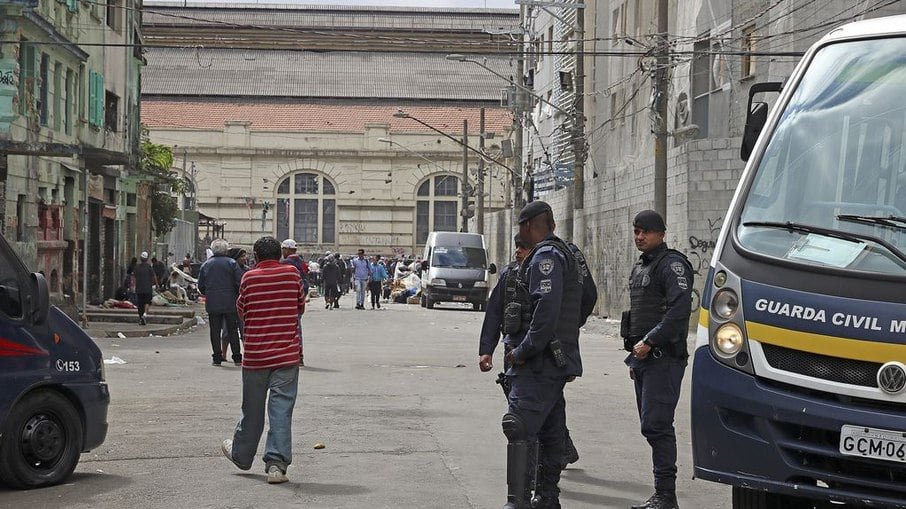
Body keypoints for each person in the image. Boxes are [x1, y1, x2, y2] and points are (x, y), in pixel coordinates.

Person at [490, 201, 596, 509]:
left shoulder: (545, 257)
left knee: (518, 425)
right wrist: (565, 335)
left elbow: (545, 313)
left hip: (537, 362)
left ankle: (518, 502)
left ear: (526, 226)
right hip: (553, 360)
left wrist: (525, 350)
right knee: (550, 430)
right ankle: (547, 498)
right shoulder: (566, 253)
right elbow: (588, 297)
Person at [623, 210, 693, 509]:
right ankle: (663, 494)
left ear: (661, 234)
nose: (640, 237)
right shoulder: (641, 267)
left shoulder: (672, 265)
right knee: (650, 426)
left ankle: (666, 496)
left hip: (664, 358)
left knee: (657, 425)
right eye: (637, 232)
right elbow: (639, 315)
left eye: (646, 232)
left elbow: (678, 313)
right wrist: (635, 354)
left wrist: (649, 342)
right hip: (644, 359)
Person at [221, 235, 305, 485]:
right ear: (280, 254)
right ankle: (276, 466)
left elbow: (242, 310)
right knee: (281, 411)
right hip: (286, 355)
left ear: (256, 258)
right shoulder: (292, 275)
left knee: (252, 410)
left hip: (256, 355)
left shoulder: (249, 278)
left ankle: (242, 455)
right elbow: (300, 307)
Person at [198, 239, 244, 366]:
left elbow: (201, 286)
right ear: (226, 250)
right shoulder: (232, 263)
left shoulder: (206, 264)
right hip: (230, 302)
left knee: (215, 330)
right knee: (232, 330)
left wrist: (209, 293)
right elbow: (239, 283)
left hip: (213, 302)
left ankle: (217, 357)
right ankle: (237, 357)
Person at [133, 252, 158, 326]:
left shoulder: (137, 267)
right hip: (147, 288)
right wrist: (156, 285)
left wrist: (133, 286)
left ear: (140, 259)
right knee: (147, 302)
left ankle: (141, 317)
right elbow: (154, 276)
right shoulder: (149, 267)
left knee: (140, 304)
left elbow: (134, 277)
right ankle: (145, 314)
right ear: (147, 259)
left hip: (139, 289)